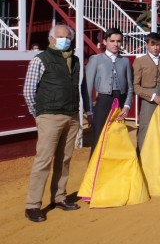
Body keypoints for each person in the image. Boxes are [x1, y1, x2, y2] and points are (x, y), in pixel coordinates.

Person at [23, 24, 87, 222]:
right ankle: (33, 204)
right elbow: (28, 90)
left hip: (71, 115)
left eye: (67, 37)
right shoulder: (40, 59)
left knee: (64, 159)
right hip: (49, 116)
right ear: (51, 39)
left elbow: (78, 87)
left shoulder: (75, 60)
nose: (64, 40)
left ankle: (59, 197)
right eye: (60, 36)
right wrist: (40, 114)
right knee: (43, 160)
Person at [85, 28, 134, 157]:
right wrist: (89, 111)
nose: (115, 44)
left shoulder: (125, 61)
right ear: (105, 42)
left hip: (120, 102)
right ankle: (95, 174)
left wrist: (127, 106)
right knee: (99, 138)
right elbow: (87, 87)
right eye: (112, 41)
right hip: (103, 102)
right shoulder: (95, 59)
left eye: (118, 41)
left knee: (117, 138)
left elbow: (130, 87)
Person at [133, 32, 160, 150]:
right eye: (153, 44)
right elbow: (136, 87)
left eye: (158, 45)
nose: (156, 47)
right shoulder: (140, 61)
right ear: (146, 45)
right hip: (148, 101)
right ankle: (141, 158)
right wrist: (153, 97)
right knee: (145, 128)